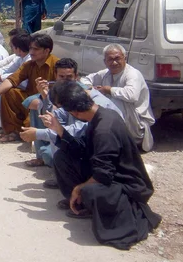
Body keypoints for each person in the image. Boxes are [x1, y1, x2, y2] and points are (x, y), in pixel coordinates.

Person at [44, 80, 161, 250]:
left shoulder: (104, 129)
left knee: (90, 189)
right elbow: (84, 148)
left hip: (126, 184)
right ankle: (82, 205)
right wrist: (59, 129)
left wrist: (79, 188)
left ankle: (90, 203)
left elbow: (102, 175)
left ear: (75, 112)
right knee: (63, 155)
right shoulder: (98, 116)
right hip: (107, 173)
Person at [20, 58, 122, 169]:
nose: (65, 81)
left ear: (76, 77)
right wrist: (48, 104)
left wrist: (39, 133)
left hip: (100, 150)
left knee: (56, 156)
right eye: (61, 77)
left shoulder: (93, 101)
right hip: (83, 141)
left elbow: (79, 130)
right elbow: (60, 114)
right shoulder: (68, 94)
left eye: (69, 77)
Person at [80, 44, 155, 151]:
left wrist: (108, 90)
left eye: (117, 58)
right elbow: (84, 80)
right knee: (95, 98)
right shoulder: (105, 73)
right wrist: (91, 89)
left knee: (112, 101)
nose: (114, 62)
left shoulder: (133, 74)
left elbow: (131, 95)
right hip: (118, 120)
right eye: (110, 59)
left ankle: (118, 140)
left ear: (125, 58)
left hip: (135, 123)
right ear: (105, 61)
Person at [0, 33, 59, 142]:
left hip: (49, 103)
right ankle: (14, 131)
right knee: (9, 92)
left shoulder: (57, 64)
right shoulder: (29, 64)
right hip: (30, 100)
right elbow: (11, 80)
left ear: (46, 51)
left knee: (31, 123)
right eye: (30, 48)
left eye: (36, 49)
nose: (31, 52)